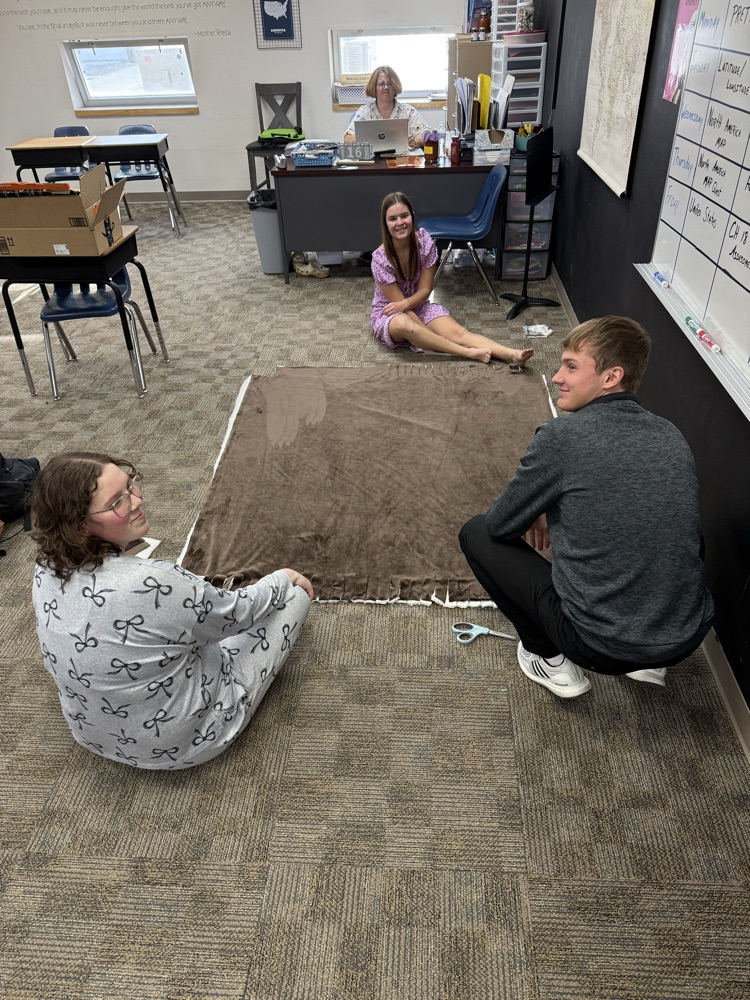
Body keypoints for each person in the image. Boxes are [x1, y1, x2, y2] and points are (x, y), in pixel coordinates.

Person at [459, 316, 714, 698]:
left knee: (476, 533)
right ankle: (651, 660)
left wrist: (538, 507)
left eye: (571, 366)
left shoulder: (561, 437)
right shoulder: (670, 434)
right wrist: (551, 505)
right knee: (679, 524)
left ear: (611, 377)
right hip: (685, 636)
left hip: (598, 646)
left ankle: (549, 659)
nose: (557, 376)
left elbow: (501, 525)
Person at [30, 452, 314, 769]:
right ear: (81, 526)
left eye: (130, 486)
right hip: (182, 744)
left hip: (89, 733)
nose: (136, 500)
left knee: (177, 615)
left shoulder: (45, 566)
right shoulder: (157, 583)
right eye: (117, 503)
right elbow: (239, 613)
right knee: (294, 597)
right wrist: (283, 577)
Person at [371, 192, 535, 365]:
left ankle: (511, 354)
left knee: (458, 332)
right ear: (385, 223)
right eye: (392, 219)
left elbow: (425, 291)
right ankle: (467, 353)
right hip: (391, 312)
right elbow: (401, 308)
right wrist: (427, 333)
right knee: (405, 325)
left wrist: (426, 335)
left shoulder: (424, 242)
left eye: (404, 216)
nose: (400, 223)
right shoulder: (380, 259)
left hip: (416, 303)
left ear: (412, 216)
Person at [343, 66, 429, 149]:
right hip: (372, 160)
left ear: (395, 87)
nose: (386, 87)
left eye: (390, 84)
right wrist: (367, 140)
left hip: (401, 161)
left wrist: (416, 142)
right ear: (374, 88)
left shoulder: (408, 111)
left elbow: (428, 136)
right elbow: (347, 139)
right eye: (381, 84)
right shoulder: (364, 112)